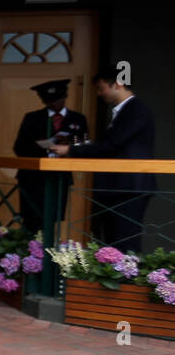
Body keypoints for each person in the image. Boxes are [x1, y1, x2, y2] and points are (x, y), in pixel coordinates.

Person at [50, 68, 156, 254]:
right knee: (114, 242)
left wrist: (71, 150)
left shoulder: (135, 110)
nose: (99, 94)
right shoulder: (126, 110)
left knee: (125, 242)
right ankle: (116, 278)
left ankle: (126, 280)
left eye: (101, 88)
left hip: (128, 186)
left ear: (118, 84)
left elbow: (113, 144)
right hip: (119, 186)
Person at [12, 79, 89, 237]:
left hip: (60, 177)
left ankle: (49, 254)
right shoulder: (32, 118)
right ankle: (30, 256)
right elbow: (19, 148)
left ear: (65, 96)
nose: (54, 104)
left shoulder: (78, 119)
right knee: (32, 221)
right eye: (49, 101)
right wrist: (45, 147)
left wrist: (70, 148)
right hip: (33, 179)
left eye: (57, 100)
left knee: (53, 220)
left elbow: (85, 147)